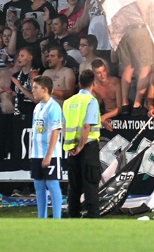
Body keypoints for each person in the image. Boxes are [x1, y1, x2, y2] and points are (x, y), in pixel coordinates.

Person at [63, 69, 100, 218]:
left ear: (79, 84)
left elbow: (65, 126)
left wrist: (72, 146)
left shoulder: (68, 102)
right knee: (90, 183)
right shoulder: (91, 101)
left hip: (71, 149)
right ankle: (93, 216)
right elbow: (86, 126)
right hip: (88, 147)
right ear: (94, 84)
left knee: (74, 185)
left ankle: (73, 215)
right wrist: (80, 146)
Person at [29, 75, 63, 219]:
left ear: (45, 89)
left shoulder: (54, 107)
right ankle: (41, 218)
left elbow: (56, 131)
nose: (33, 90)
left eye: (35, 88)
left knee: (52, 184)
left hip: (51, 154)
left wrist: (49, 154)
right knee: (38, 186)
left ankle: (57, 218)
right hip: (36, 153)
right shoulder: (37, 107)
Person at [90, 59, 122, 131]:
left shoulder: (115, 83)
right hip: (105, 117)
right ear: (94, 74)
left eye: (104, 71)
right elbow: (91, 107)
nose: (102, 75)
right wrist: (101, 117)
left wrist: (102, 117)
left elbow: (120, 107)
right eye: (98, 73)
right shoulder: (94, 86)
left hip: (120, 117)